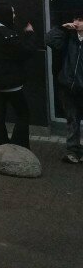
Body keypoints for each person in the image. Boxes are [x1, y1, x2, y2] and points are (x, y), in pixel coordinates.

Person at [0, 3, 35, 149]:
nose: (14, 16)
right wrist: (29, 34)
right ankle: (19, 148)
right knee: (23, 114)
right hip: (11, 83)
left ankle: (0, 147)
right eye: (12, 13)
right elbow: (26, 51)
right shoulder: (6, 35)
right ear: (6, 15)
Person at [45, 14, 83, 163]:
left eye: (80, 20)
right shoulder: (69, 38)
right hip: (68, 86)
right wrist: (62, 28)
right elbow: (49, 39)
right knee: (72, 120)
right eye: (75, 19)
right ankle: (73, 151)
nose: (76, 22)